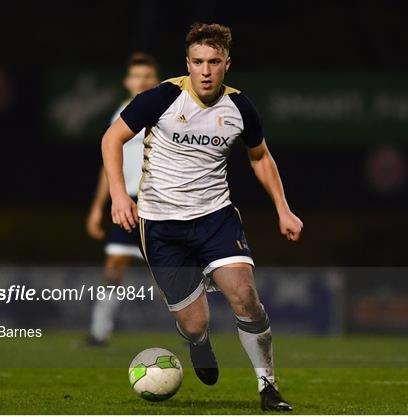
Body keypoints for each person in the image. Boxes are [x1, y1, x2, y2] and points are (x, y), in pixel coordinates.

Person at [102, 23, 303, 411]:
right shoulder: (162, 98)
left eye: (213, 62)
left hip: (216, 219)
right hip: (161, 225)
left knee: (246, 299)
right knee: (194, 323)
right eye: (198, 62)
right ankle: (197, 342)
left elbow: (260, 156)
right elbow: (112, 138)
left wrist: (283, 208)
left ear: (227, 63)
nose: (206, 71)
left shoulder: (240, 107)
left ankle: (268, 386)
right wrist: (117, 195)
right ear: (187, 64)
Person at [86, 53, 160, 346]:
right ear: (127, 81)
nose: (141, 81)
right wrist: (96, 208)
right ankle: (99, 332)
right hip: (126, 200)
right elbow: (109, 165)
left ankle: (194, 332)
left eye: (147, 75)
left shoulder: (165, 110)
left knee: (170, 270)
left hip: (157, 201)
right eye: (136, 75)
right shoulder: (121, 113)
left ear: (156, 80)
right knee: (114, 264)